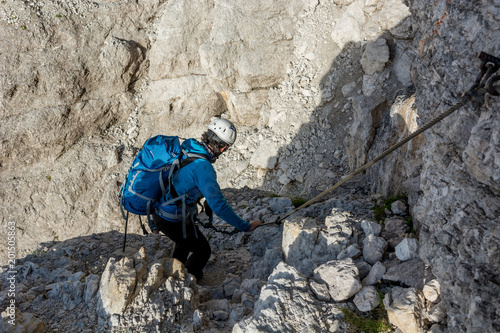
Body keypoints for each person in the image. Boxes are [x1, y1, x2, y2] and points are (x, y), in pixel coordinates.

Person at [151, 118, 261, 280]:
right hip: (171, 218)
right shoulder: (203, 168)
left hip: (160, 212)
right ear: (222, 147)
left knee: (184, 243)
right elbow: (219, 206)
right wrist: (245, 226)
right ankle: (185, 282)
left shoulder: (188, 147)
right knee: (203, 251)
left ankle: (171, 275)